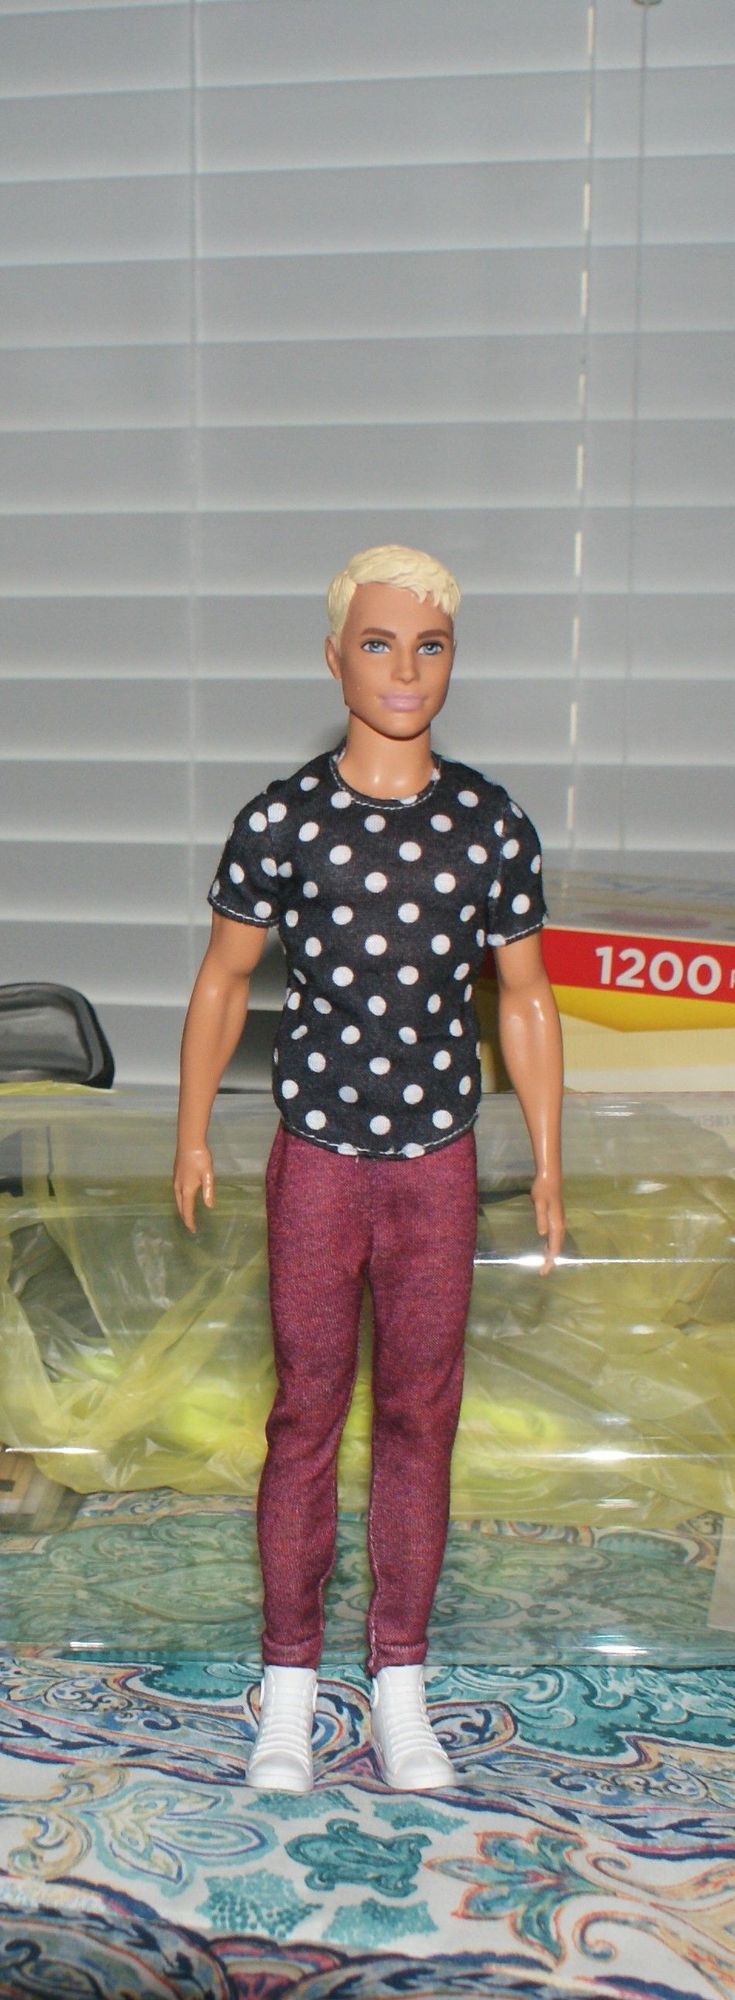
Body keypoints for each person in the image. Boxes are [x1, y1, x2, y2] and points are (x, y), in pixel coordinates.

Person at [173, 544, 565, 1794]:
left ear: (455, 659)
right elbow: (224, 978)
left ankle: (401, 1678)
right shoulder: (283, 820)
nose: (405, 669)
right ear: (335, 657)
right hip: (318, 1161)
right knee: (304, 1412)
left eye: (430, 644)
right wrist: (191, 1130)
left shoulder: (488, 822)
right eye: (380, 642)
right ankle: (289, 1680)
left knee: (420, 1413)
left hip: (436, 1161)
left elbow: (527, 995)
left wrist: (550, 1158)